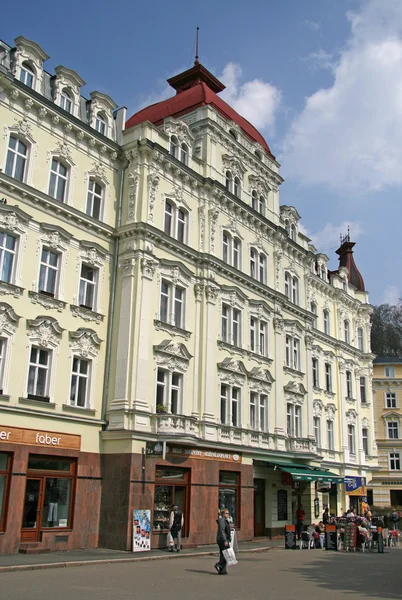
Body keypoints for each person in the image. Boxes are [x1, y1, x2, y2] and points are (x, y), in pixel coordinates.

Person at [215, 508, 231, 575]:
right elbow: (222, 531)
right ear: (223, 514)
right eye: (226, 513)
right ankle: (218, 564)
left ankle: (222, 570)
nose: (227, 514)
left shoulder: (225, 520)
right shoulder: (222, 520)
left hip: (224, 539)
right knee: (225, 554)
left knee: (223, 554)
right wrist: (225, 540)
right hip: (222, 540)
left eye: (228, 513)